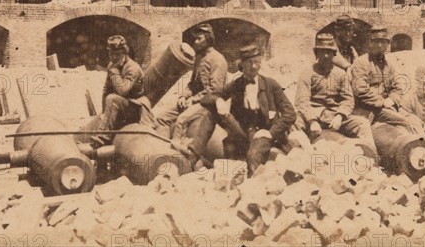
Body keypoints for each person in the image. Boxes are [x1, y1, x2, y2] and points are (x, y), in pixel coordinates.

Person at [201, 44, 296, 176]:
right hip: (242, 132)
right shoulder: (236, 85)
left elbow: (290, 113)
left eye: (257, 62)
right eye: (250, 63)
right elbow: (207, 98)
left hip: (263, 133)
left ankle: (253, 190)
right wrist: (218, 101)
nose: (254, 66)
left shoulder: (270, 85)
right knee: (211, 114)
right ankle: (193, 152)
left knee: (253, 156)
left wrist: (271, 133)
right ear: (242, 65)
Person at [154, 24, 228, 159]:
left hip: (209, 104)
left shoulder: (218, 60)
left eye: (199, 39)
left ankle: (176, 155)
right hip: (193, 101)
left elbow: (215, 90)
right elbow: (193, 85)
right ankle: (162, 150)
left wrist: (193, 100)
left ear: (208, 39)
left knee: (181, 120)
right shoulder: (199, 59)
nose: (195, 42)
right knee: (161, 118)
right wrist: (184, 96)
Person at [295, 33, 377, 155]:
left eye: (329, 52)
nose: (326, 55)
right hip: (313, 116)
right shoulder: (307, 73)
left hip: (335, 117)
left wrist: (340, 115)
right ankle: (303, 155)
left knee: (362, 124)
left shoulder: (341, 74)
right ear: (316, 53)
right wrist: (312, 121)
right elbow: (302, 102)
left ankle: (370, 156)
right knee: (295, 121)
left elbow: (348, 100)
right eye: (322, 52)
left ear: (334, 54)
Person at [79, 35, 152, 146]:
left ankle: (102, 138)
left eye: (117, 54)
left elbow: (123, 91)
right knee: (97, 118)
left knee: (112, 98)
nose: (113, 58)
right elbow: (106, 90)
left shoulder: (133, 68)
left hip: (135, 109)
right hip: (118, 107)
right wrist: (104, 113)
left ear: (125, 53)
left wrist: (115, 72)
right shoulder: (112, 65)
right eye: (111, 54)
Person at [350, 26, 415, 130]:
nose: (379, 45)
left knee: (415, 119)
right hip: (368, 109)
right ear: (370, 43)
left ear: (388, 44)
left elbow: (398, 88)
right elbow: (360, 90)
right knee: (405, 122)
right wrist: (382, 102)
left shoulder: (389, 65)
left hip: (388, 107)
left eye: (383, 42)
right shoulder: (361, 63)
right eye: (376, 42)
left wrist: (392, 100)